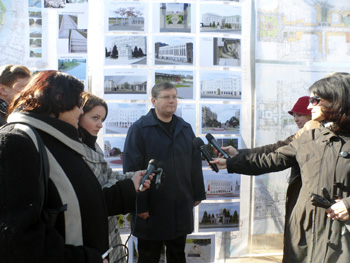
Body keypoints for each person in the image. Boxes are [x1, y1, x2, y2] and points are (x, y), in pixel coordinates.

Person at [0, 70, 152, 263]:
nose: (81, 111)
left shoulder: (58, 141)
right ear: (58, 99)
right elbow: (17, 238)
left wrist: (128, 188)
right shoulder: (17, 140)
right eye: (79, 103)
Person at [212, 72, 350, 263]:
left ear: (335, 99)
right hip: (304, 233)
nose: (309, 106)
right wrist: (230, 162)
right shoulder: (311, 136)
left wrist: (348, 204)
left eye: (314, 100)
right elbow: (274, 156)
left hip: (341, 235)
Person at [123, 82, 206, 263]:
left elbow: (194, 164)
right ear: (153, 100)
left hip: (180, 205)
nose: (172, 101)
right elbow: (131, 170)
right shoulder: (139, 129)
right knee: (149, 256)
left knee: (177, 254)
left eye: (174, 97)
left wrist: (198, 193)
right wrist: (140, 205)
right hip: (152, 208)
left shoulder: (185, 128)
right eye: (166, 97)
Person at [79, 92, 134, 263]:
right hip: (89, 236)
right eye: (95, 118)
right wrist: (129, 184)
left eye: (102, 119)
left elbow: (108, 175)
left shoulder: (94, 146)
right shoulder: (74, 151)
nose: (100, 125)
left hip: (107, 228)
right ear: (79, 115)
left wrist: (135, 177)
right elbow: (94, 191)